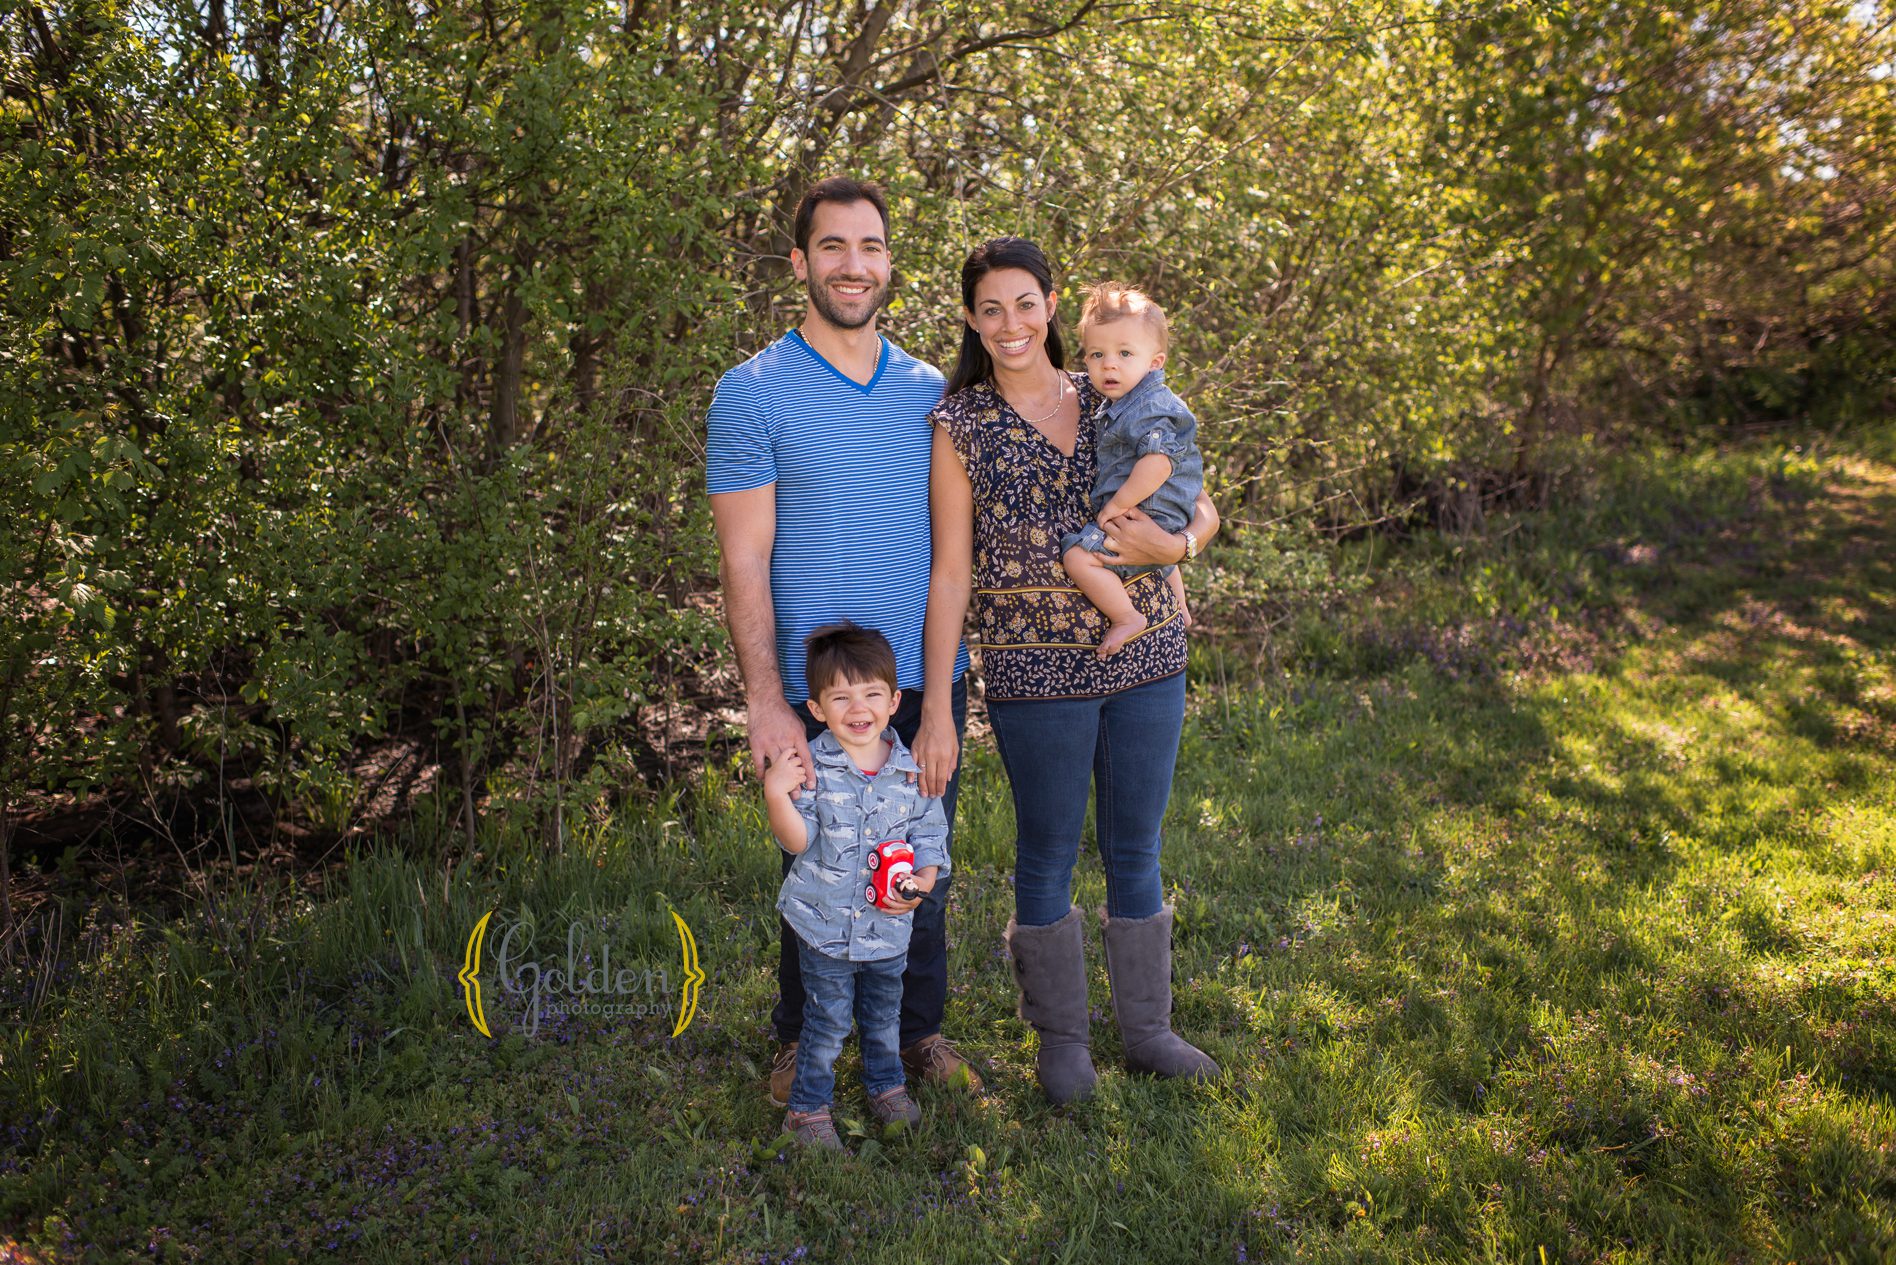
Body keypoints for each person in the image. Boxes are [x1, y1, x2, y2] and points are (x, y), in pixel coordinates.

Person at [913, 236, 1221, 1104]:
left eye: (1025, 302)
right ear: (972, 320)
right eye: (990, 308)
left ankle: (1150, 1031)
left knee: (1137, 842)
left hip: (1149, 648)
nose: (1010, 323)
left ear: (1052, 304)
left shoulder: (1111, 385)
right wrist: (939, 699)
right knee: (1045, 848)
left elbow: (1200, 497)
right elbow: (950, 569)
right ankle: (1063, 1041)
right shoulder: (959, 422)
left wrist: (1185, 543)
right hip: (1030, 668)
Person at [706, 176, 979, 1109]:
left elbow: (955, 552)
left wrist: (939, 697)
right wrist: (765, 700)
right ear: (800, 262)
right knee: (818, 874)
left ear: (890, 261)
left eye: (869, 246)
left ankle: (916, 1032)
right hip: (815, 694)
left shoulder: (932, 395)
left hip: (916, 687)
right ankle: (801, 1038)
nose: (852, 265)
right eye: (832, 247)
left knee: (921, 863)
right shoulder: (749, 394)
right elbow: (743, 561)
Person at [765, 624, 949, 1149]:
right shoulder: (811, 767)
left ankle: (885, 1087)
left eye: (870, 693)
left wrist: (919, 885)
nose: (857, 707)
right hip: (823, 926)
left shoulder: (911, 771)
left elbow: (930, 840)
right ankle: (808, 1111)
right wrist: (778, 797)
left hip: (889, 928)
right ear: (817, 708)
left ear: (894, 700)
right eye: (840, 697)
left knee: (883, 1014)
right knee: (826, 1020)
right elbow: (799, 841)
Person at [1063, 282, 1202, 655]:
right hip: (1161, 517)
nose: (1109, 364)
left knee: (1078, 556)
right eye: (1096, 354)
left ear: (1154, 362)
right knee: (1161, 561)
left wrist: (1117, 506)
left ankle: (1126, 616)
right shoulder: (1128, 400)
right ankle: (1181, 609)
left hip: (1144, 510)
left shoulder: (1147, 406)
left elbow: (1158, 464)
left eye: (1125, 353)